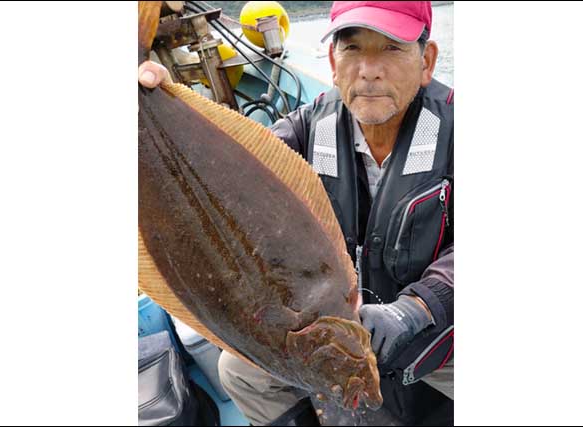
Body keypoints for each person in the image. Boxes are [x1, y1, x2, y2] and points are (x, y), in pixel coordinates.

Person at [139, 2, 453, 425]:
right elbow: (231, 182)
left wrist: (417, 308)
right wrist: (150, 90)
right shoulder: (309, 127)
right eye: (353, 49)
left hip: (434, 330)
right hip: (335, 329)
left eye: (392, 49)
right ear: (333, 63)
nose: (369, 70)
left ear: (426, 61)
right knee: (240, 372)